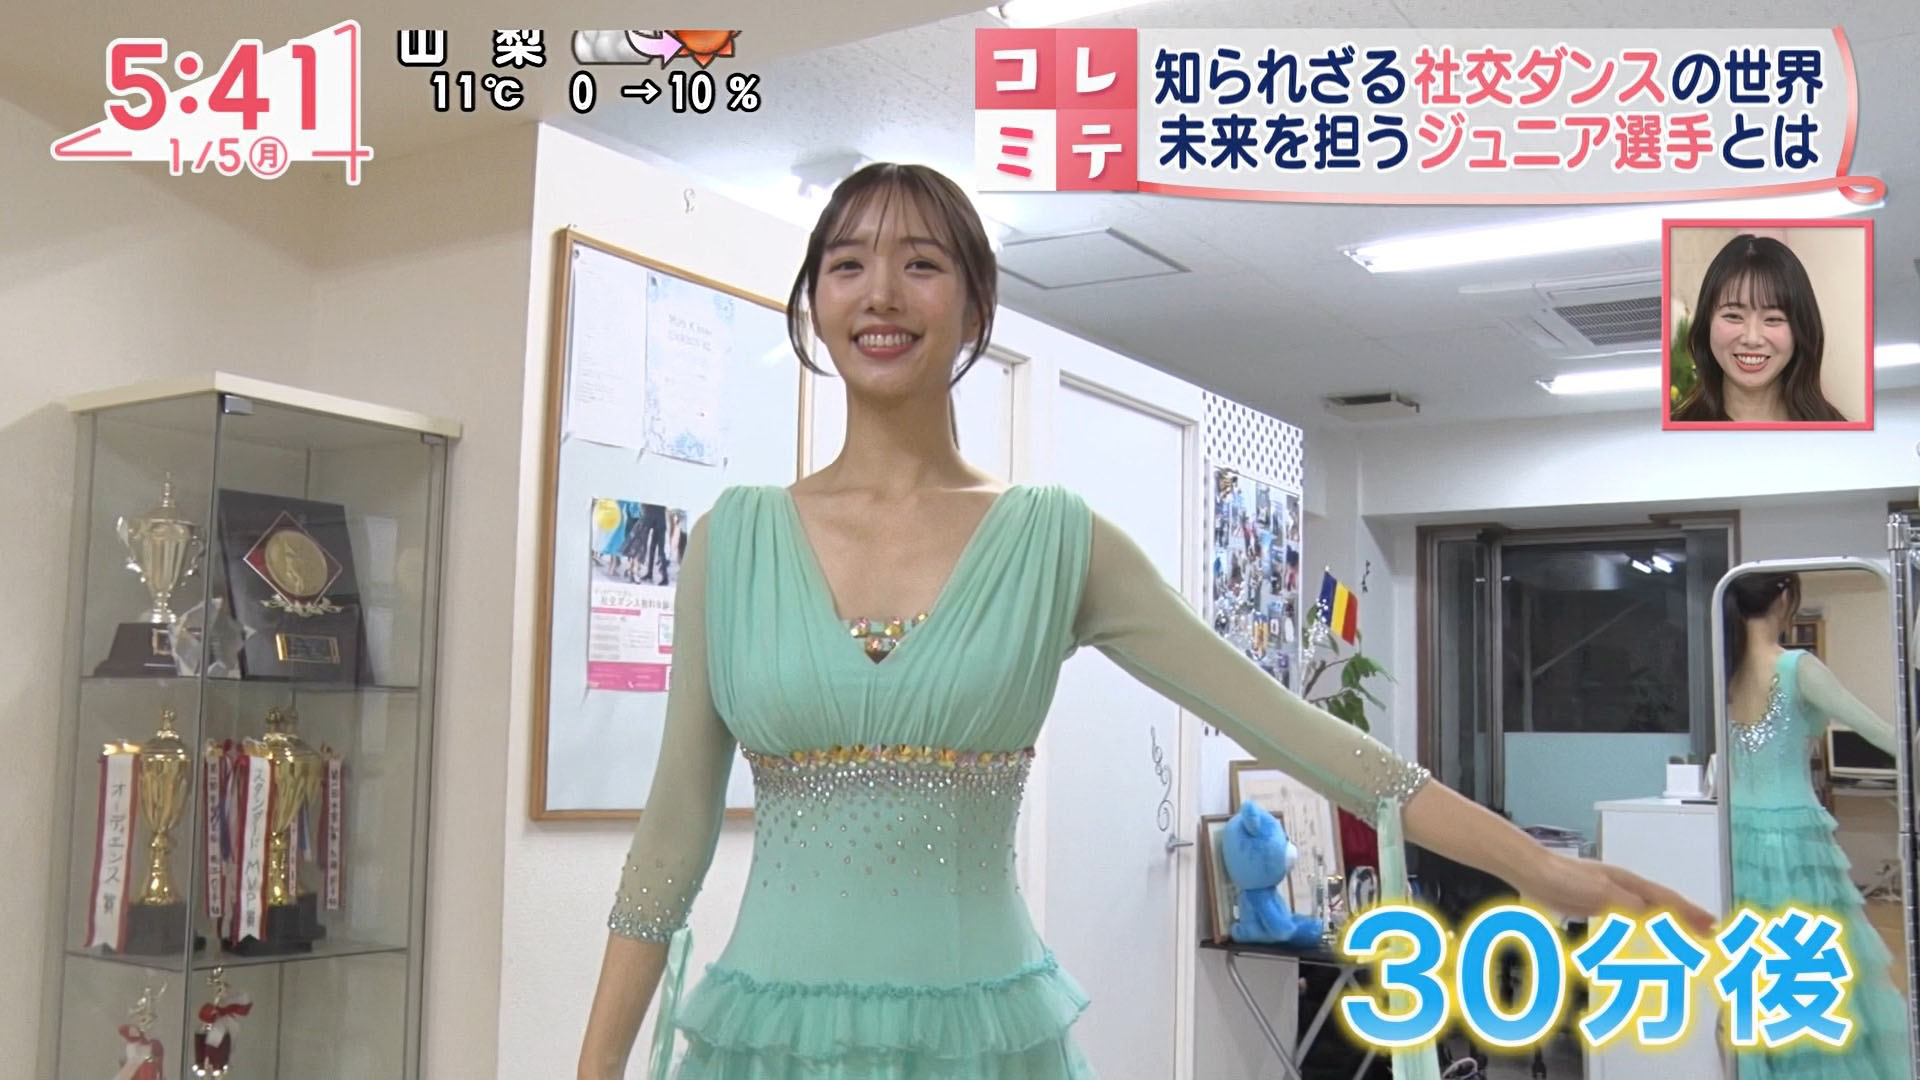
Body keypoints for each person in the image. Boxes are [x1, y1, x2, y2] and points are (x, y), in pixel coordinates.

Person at [577, 162, 1712, 1080]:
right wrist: (594, 1068)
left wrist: (1541, 870)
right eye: (846, 264)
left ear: (974, 305)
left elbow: (1296, 733)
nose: (880, 293)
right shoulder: (732, 541)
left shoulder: (1055, 541)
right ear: (815, 304)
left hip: (983, 1040)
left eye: (920, 263)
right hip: (769, 1040)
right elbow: (671, 838)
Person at [1721, 573, 1909, 1080]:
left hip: (1737, 836)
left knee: (1756, 963)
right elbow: (1882, 735)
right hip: (1794, 841)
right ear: (1784, 600)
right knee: (1811, 964)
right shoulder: (1796, 666)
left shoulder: (1727, 670)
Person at [1670, 234, 1849, 423]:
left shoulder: (1836, 431)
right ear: (1707, 323)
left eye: (1773, 319)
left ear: (1800, 329)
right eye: (1733, 316)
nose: (1752, 338)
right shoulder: (1675, 432)